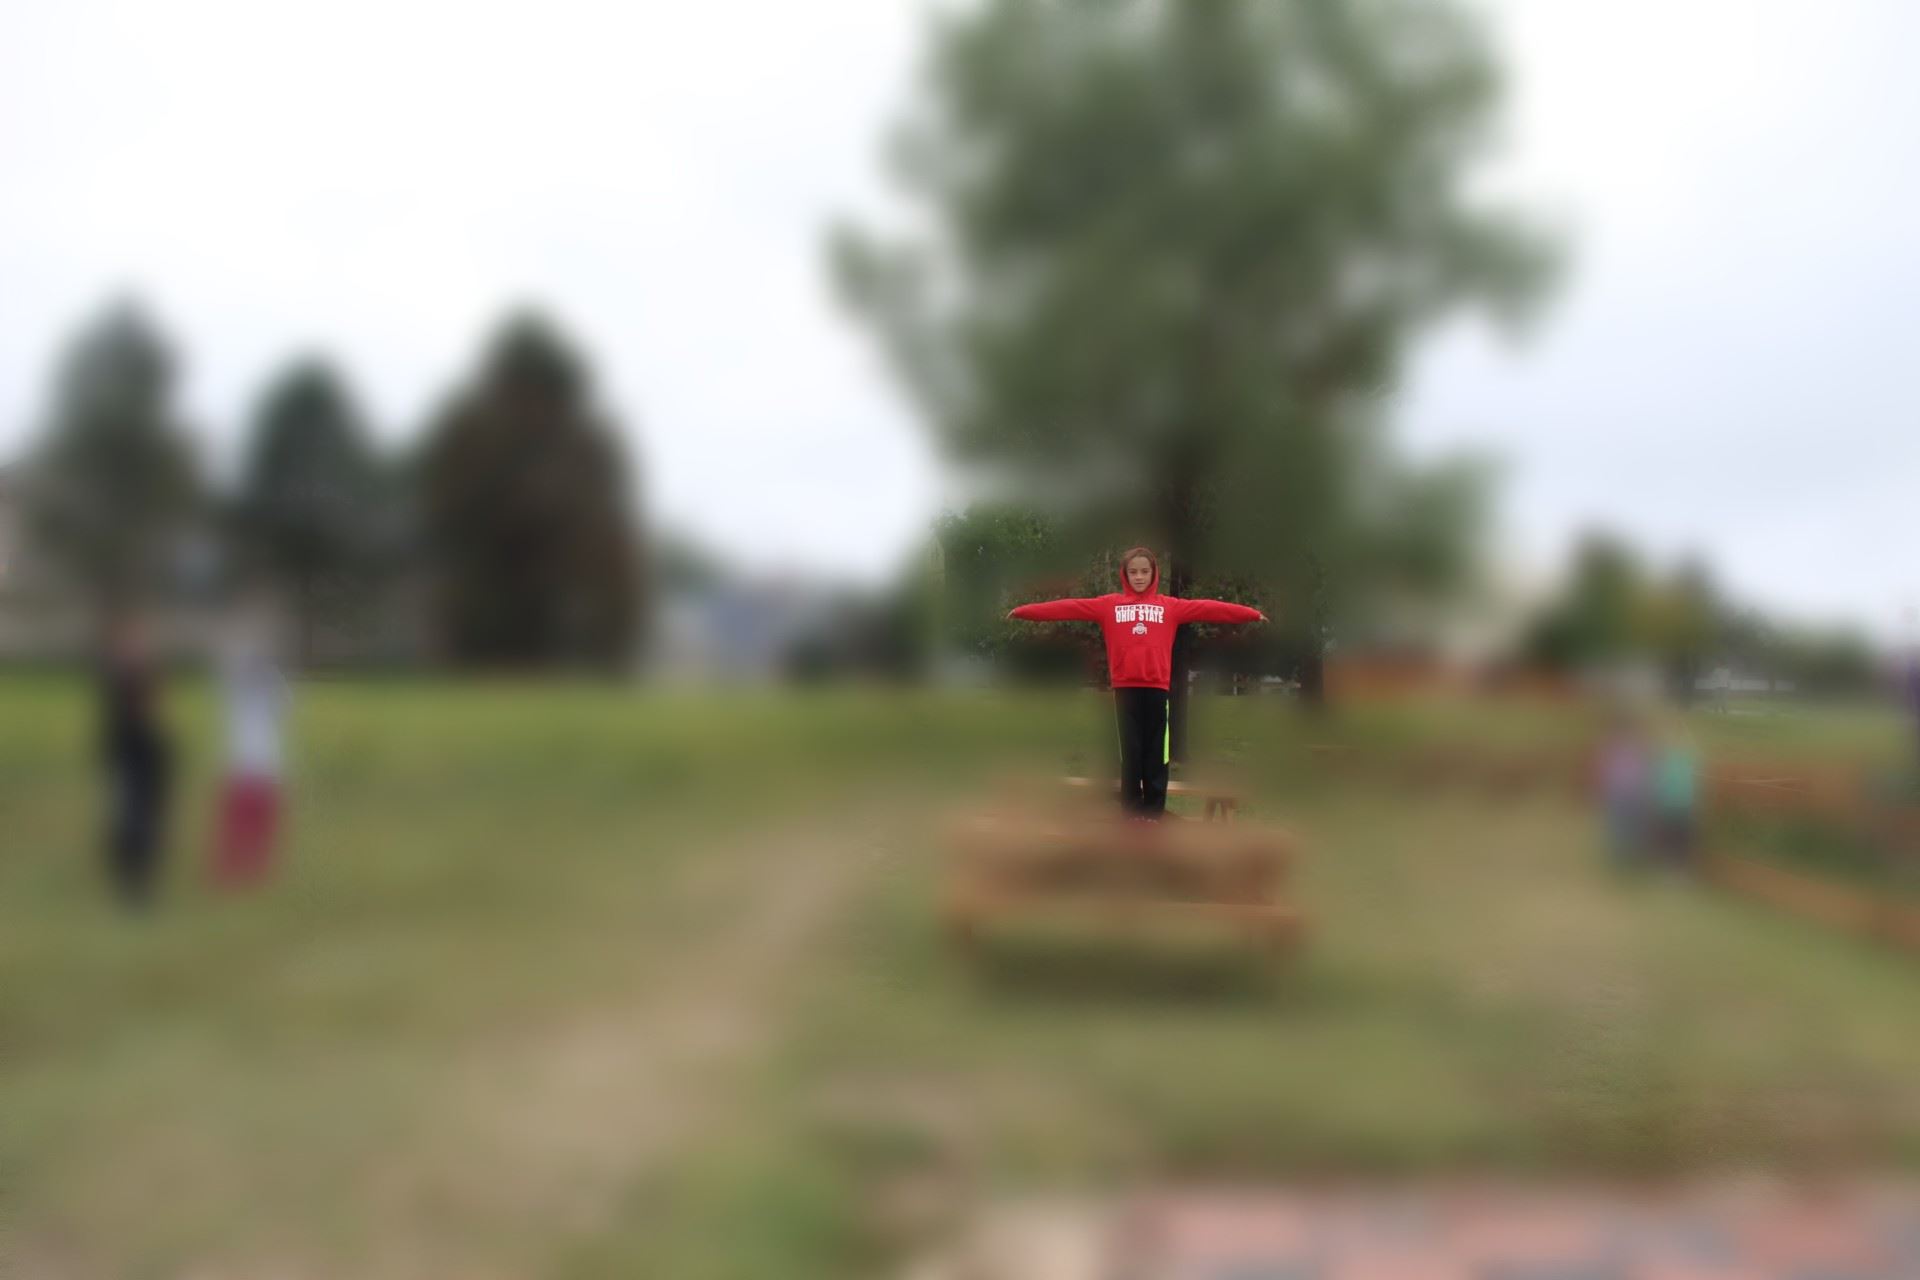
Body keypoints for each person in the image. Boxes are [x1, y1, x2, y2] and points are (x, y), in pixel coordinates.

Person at [1006, 546, 1266, 817]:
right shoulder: (1109, 605)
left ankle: (1153, 814)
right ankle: (1131, 815)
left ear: (1154, 573)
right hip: (1125, 691)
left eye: (1144, 571)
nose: (1139, 577)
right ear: (1125, 574)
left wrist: (1250, 613)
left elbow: (1209, 609)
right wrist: (1024, 611)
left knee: (1156, 755)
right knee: (1130, 755)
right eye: (1133, 572)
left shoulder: (1170, 606)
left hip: (1157, 690)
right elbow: (1068, 607)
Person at [211, 602, 289, 889]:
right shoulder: (236, 679)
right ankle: (232, 869)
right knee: (237, 822)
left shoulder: (271, 680)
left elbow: (283, 706)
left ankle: (256, 870)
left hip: (265, 762)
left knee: (262, 824)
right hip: (242, 763)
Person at [98, 612, 174, 908]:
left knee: (147, 811)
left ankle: (138, 869)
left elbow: (154, 711)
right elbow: (131, 715)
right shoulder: (121, 678)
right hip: (129, 749)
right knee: (131, 812)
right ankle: (132, 879)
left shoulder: (143, 674)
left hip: (147, 750)